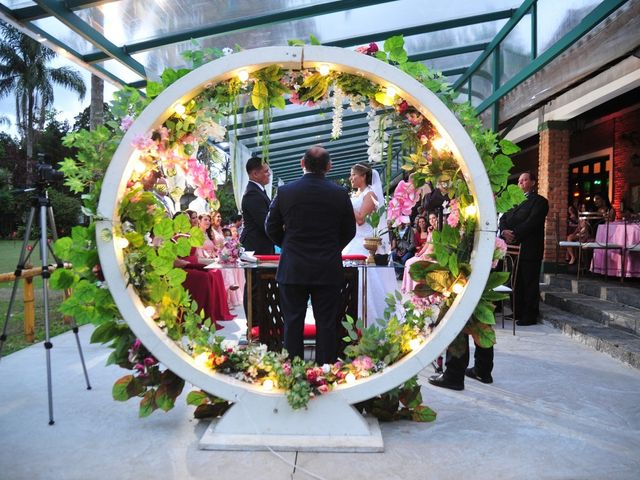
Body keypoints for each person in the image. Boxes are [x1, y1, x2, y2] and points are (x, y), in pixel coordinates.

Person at [265, 146, 356, 364]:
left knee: (292, 323)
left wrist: (287, 245)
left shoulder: (286, 192)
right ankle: (325, 372)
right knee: (326, 324)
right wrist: (333, 247)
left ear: (301, 163)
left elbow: (271, 227)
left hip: (293, 266)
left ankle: (293, 373)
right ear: (329, 166)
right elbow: (349, 230)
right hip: (327, 267)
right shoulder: (340, 193)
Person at [342, 163, 398, 323]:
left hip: (364, 242)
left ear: (363, 176)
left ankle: (369, 318)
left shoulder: (370, 194)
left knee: (364, 281)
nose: (350, 178)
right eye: (351, 174)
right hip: (351, 240)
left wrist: (345, 203)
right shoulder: (355, 195)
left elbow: (360, 219)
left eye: (354, 175)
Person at [498, 171, 549, 326]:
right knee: (516, 280)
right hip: (512, 247)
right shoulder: (513, 201)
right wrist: (504, 231)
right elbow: (504, 218)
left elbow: (533, 221)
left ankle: (530, 315)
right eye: (519, 180)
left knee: (529, 281)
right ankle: (517, 310)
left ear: (533, 183)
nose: (521, 183)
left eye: (525, 180)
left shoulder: (540, 201)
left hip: (529, 248)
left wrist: (515, 233)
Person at [240, 156, 275, 323]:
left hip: (260, 244)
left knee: (259, 285)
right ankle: (253, 324)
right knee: (254, 285)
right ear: (254, 174)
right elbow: (265, 223)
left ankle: (259, 320)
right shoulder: (252, 194)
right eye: (265, 171)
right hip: (254, 246)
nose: (268, 174)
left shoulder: (258, 190)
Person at [402, 212, 437, 293]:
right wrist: (420, 253)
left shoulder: (439, 230)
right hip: (426, 253)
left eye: (434, 218)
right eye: (430, 218)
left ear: (438, 219)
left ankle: (418, 289)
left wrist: (430, 256)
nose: (432, 220)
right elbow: (426, 245)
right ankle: (409, 288)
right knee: (408, 262)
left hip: (432, 255)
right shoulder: (431, 231)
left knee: (414, 264)